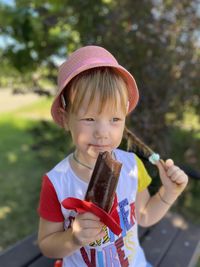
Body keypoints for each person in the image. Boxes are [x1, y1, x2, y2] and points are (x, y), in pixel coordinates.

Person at [37, 45, 188, 267]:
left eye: (115, 119)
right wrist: (73, 237)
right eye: (89, 119)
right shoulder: (57, 182)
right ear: (66, 117)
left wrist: (168, 194)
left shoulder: (131, 165)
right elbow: (47, 244)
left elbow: (144, 215)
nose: (102, 133)